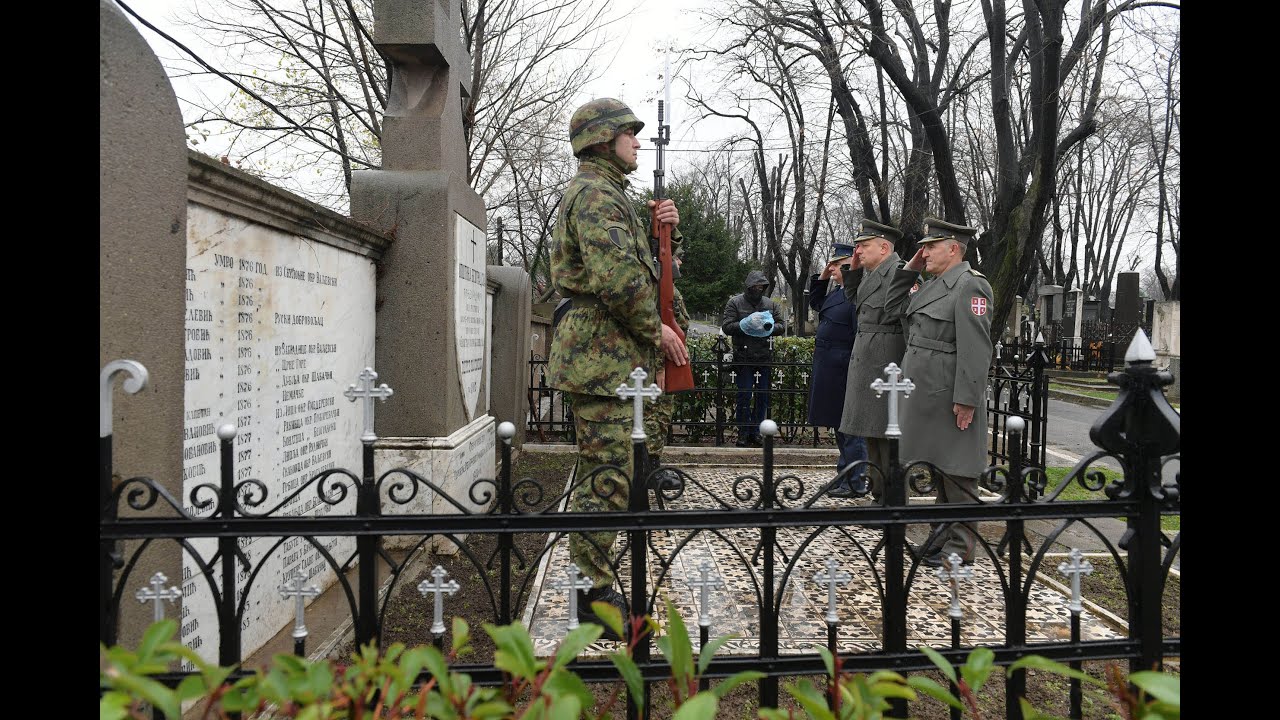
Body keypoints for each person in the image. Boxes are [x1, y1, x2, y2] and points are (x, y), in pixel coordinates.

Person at [546, 97, 689, 636]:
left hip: (614, 358)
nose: (637, 141)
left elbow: (645, 272)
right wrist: (661, 335)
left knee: (617, 470)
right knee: (605, 474)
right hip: (602, 359)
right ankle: (593, 595)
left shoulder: (612, 196)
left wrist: (665, 234)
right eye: (629, 133)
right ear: (603, 140)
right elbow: (619, 282)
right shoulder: (595, 195)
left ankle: (598, 577)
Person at [888, 218, 994, 568]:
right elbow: (892, 307)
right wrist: (909, 269)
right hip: (924, 393)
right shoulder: (932, 285)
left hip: (949, 394)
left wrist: (967, 399)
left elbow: (976, 348)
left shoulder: (970, 287)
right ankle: (940, 538)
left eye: (930, 246)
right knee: (939, 470)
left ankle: (960, 548)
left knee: (958, 472)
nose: (924, 251)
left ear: (953, 248)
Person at [837, 220, 907, 501]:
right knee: (871, 435)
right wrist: (853, 268)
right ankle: (879, 497)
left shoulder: (900, 273)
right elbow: (854, 299)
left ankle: (892, 502)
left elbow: (908, 322)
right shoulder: (871, 272)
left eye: (864, 246)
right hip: (868, 359)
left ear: (884, 247)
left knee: (888, 439)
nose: (858, 251)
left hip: (887, 361)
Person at [806, 244, 868, 496]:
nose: (830, 269)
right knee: (837, 425)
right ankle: (844, 474)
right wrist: (822, 276)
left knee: (850, 428)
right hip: (829, 367)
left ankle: (856, 481)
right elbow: (816, 302)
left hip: (843, 368)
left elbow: (858, 334)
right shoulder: (838, 292)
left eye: (834, 265)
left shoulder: (854, 295)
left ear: (848, 265)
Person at [720, 270, 786, 447]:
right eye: (755, 286)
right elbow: (726, 326)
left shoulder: (770, 304)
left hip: (764, 356)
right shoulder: (735, 302)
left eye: (761, 287)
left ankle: (757, 432)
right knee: (744, 395)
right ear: (748, 287)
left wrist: (768, 327)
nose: (758, 289)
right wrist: (746, 324)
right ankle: (743, 432)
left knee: (762, 397)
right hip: (744, 357)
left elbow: (781, 325)